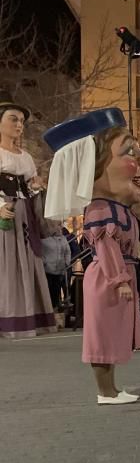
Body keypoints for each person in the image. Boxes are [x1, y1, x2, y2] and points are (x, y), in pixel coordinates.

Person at [43, 108, 140, 404]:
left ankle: (111, 389)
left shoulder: (115, 208)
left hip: (117, 275)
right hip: (108, 278)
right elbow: (107, 248)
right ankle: (105, 392)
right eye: (129, 150)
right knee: (103, 336)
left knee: (112, 335)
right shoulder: (100, 210)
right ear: (94, 166)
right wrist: (119, 279)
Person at [0, 94, 57, 339]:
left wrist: (35, 187)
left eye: (21, 120)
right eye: (13, 119)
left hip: (24, 216)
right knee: (6, 265)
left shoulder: (25, 157)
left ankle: (27, 319)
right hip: (5, 212)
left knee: (25, 263)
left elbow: (29, 187)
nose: (19, 125)